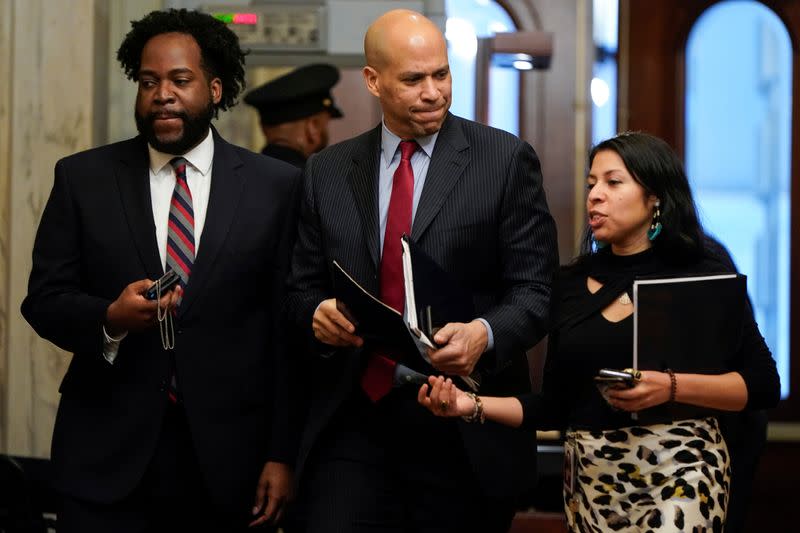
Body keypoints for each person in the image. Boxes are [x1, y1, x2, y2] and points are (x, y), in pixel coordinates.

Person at [20, 9, 301, 532]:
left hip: (227, 461)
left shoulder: (275, 187)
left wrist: (281, 454)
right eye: (148, 82)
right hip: (106, 457)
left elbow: (284, 332)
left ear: (215, 90)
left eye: (179, 80)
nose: (162, 94)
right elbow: (44, 300)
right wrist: (110, 316)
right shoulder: (84, 179)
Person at [418, 131, 781, 533]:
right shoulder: (570, 282)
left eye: (613, 182)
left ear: (655, 196)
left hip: (682, 469)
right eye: (591, 184)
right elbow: (555, 406)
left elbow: (762, 384)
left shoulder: (702, 272)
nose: (595, 195)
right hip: (593, 478)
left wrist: (670, 387)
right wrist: (469, 405)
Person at [285, 8, 558, 533]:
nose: (433, 91)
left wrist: (485, 333)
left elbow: (536, 289)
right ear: (374, 81)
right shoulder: (328, 172)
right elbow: (298, 289)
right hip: (354, 418)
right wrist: (316, 314)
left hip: (463, 422)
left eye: (442, 74)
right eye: (413, 79)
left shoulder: (503, 161)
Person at [243, 63, 343, 167]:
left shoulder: (242, 173)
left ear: (263, 127)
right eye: (325, 126)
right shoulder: (317, 180)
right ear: (312, 127)